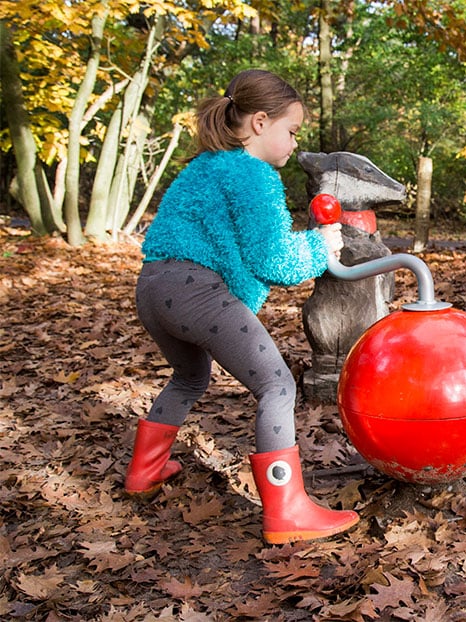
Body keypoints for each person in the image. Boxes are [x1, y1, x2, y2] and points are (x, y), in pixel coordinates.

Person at [124, 69, 358, 544]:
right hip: (195, 290)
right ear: (258, 122)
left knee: (190, 376)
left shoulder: (206, 164)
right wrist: (319, 247)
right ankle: (286, 511)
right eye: (290, 131)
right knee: (276, 385)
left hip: (152, 287)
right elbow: (272, 259)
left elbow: (233, 242)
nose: (293, 144)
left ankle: (144, 471)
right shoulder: (253, 174)